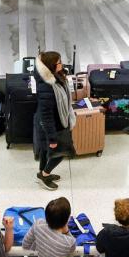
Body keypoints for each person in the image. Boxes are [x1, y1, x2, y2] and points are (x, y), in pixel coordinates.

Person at [33, 51, 76, 191]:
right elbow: (47, 116)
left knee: (46, 151)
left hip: (53, 123)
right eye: (59, 62)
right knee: (62, 151)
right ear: (51, 66)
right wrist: (52, 139)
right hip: (52, 126)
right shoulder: (47, 87)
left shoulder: (53, 77)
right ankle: (45, 175)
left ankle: (42, 172)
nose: (61, 64)